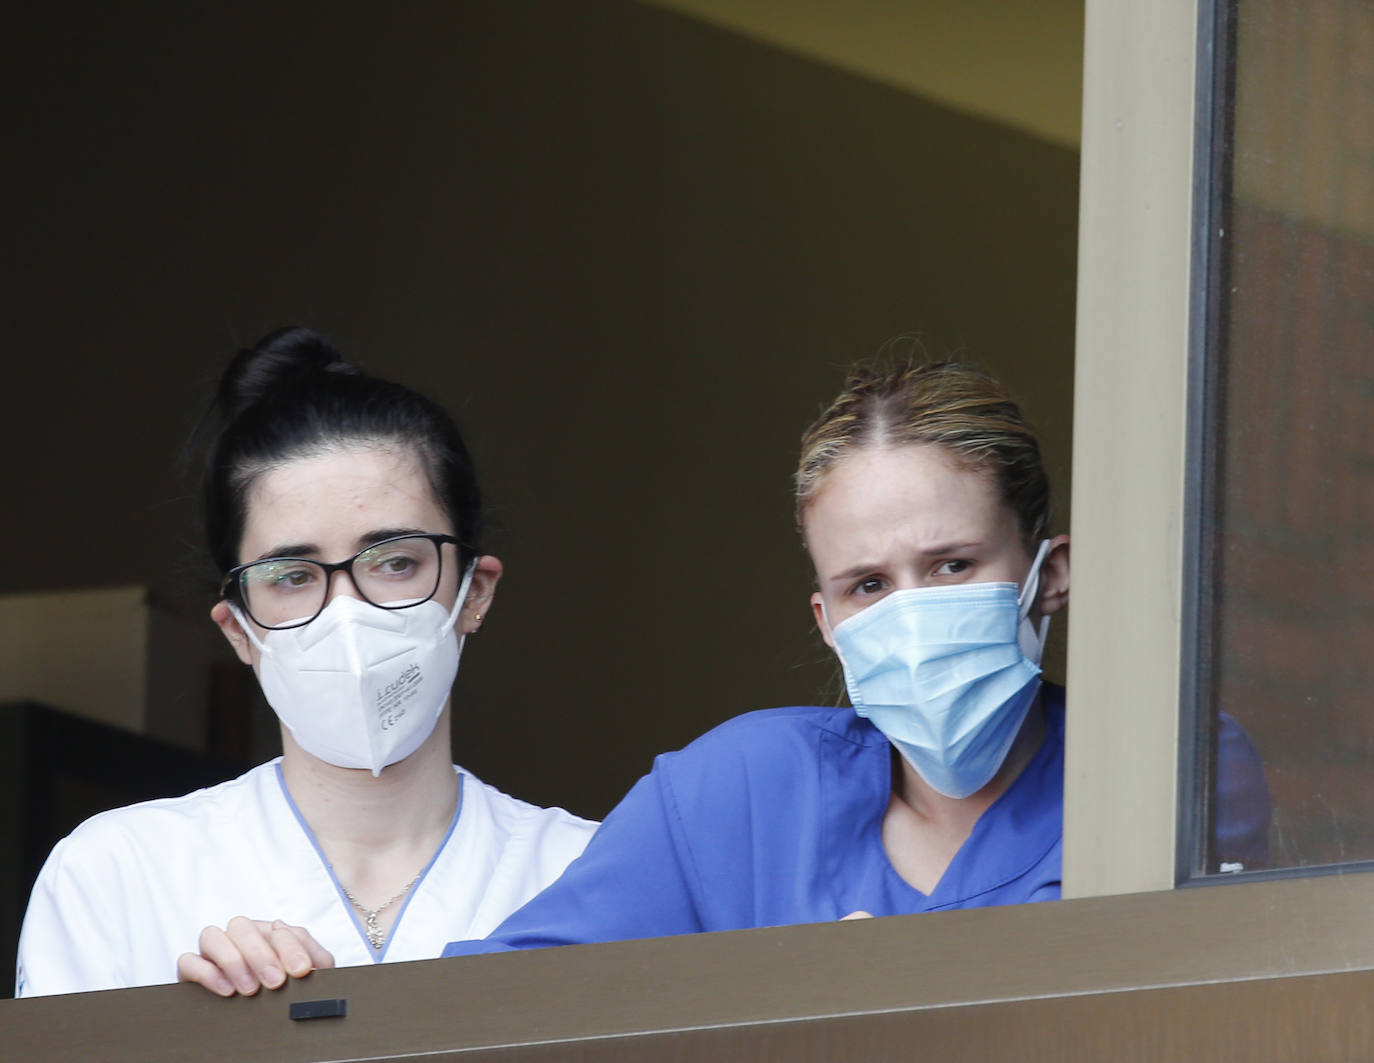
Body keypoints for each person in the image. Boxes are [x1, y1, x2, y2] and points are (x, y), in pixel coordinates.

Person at [439, 359, 1267, 955]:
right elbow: (498, 1010)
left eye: (952, 565)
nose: (909, 612)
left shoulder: (1165, 772)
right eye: (868, 585)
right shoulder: (739, 792)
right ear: (828, 619)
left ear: (1048, 573)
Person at [15, 327, 597, 997]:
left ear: (474, 592)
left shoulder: (584, 872)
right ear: (237, 629)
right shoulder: (121, 876)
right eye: (292, 575)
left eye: (395, 561)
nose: (347, 612)